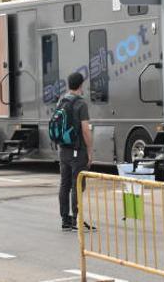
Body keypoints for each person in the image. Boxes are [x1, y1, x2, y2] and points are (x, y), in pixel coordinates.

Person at [58, 71, 94, 231]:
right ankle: (75, 220)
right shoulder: (81, 104)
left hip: (63, 149)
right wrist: (90, 151)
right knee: (77, 185)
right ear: (81, 85)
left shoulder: (62, 101)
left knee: (64, 184)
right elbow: (86, 130)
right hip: (77, 151)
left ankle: (65, 220)